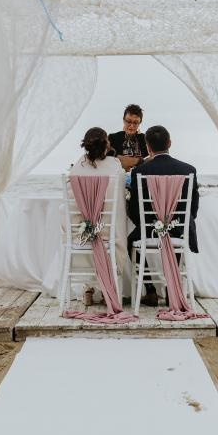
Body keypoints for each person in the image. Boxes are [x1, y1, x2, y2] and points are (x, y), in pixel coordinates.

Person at [127, 125, 199, 307]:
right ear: (169, 143)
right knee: (177, 231)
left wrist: (150, 225)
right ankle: (171, 289)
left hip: (150, 228)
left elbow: (135, 210)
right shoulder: (188, 169)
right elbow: (193, 207)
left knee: (130, 241)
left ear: (148, 147)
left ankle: (150, 289)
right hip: (179, 227)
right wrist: (176, 223)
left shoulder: (139, 172)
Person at [69, 127, 126, 305]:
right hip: (108, 233)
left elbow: (72, 204)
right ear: (106, 145)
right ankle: (108, 289)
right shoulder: (114, 165)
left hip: (81, 233)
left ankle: (88, 288)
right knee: (118, 222)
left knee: (80, 226)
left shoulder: (76, 167)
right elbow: (119, 199)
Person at [108, 104, 148, 172]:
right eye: (129, 121)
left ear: (140, 122)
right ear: (123, 120)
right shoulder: (112, 138)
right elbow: (108, 159)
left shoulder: (145, 139)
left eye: (135, 123)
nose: (131, 126)